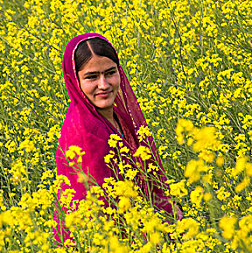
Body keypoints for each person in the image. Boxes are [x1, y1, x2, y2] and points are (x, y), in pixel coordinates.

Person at [54, 33, 176, 244]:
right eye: (92, 77)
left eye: (110, 73)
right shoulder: (85, 131)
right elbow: (100, 212)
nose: (104, 84)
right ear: (75, 81)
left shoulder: (120, 117)